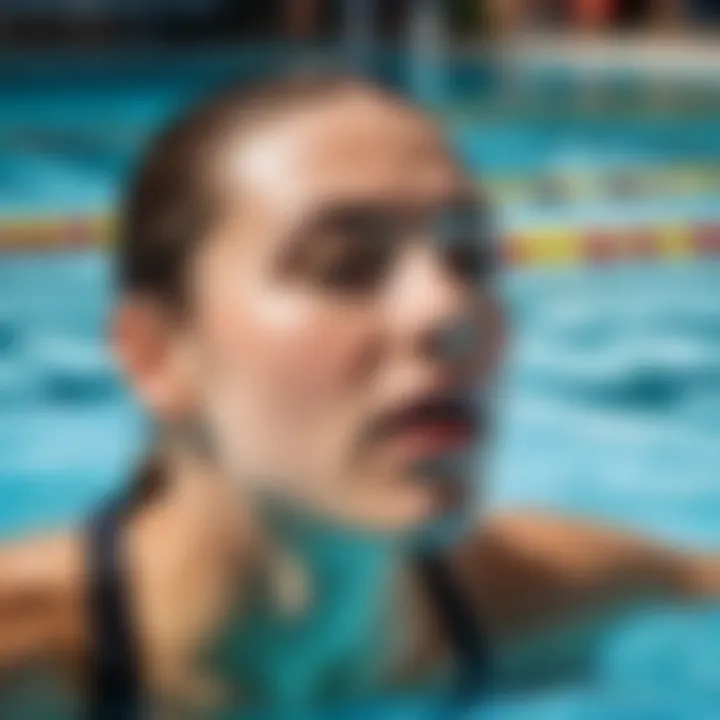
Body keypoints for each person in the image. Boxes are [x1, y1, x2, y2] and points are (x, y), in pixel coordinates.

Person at [0, 74, 718, 719]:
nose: (449, 312)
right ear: (156, 356)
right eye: (343, 266)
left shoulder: (543, 598)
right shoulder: (28, 659)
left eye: (469, 260)